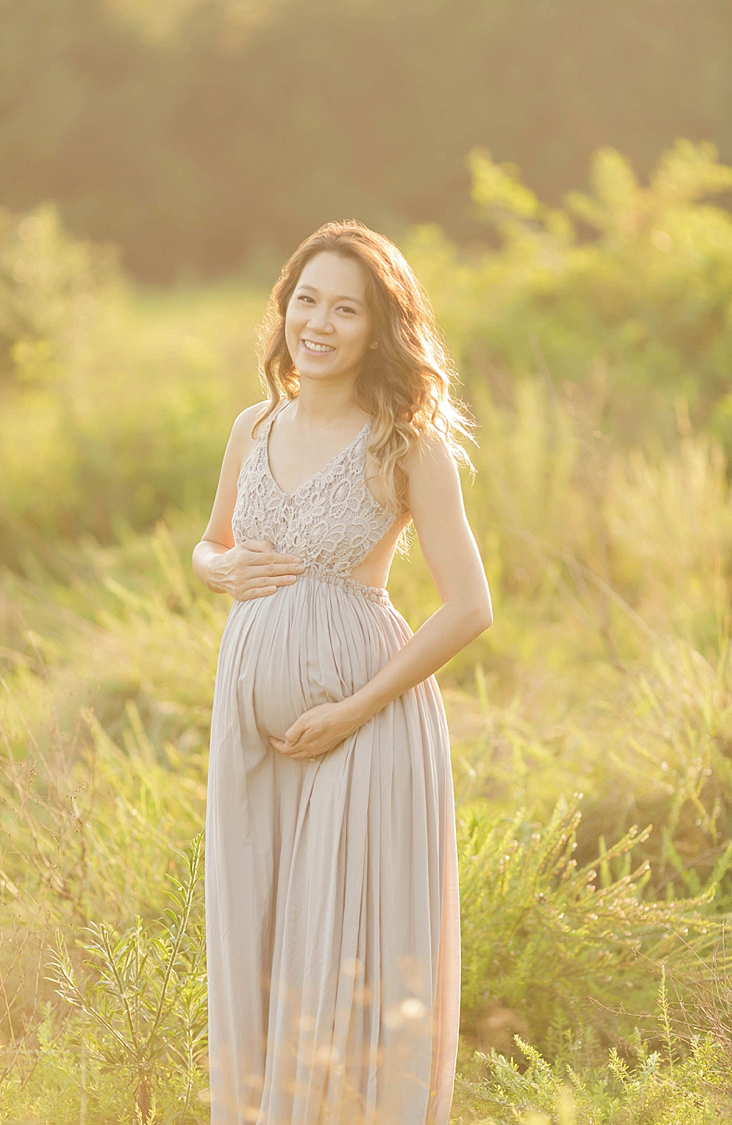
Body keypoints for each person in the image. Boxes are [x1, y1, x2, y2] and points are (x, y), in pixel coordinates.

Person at [191, 220, 492, 1123]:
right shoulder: (255, 425)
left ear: (378, 328)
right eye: (305, 301)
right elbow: (211, 547)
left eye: (345, 308)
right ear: (283, 310)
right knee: (262, 934)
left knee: (339, 959)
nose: (317, 323)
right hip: (251, 733)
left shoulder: (405, 444)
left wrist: (355, 709)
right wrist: (220, 569)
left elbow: (469, 604)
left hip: (362, 730)